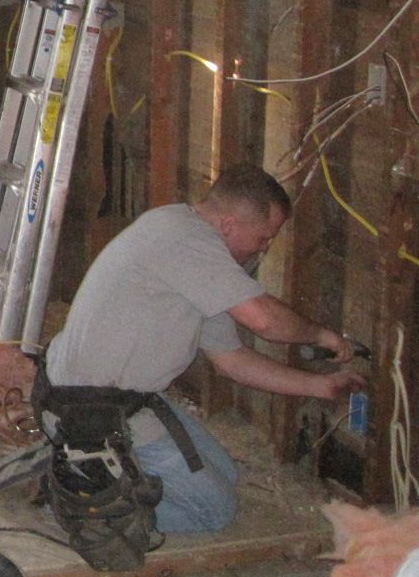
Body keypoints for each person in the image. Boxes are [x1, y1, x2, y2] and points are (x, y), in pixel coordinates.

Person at [40, 165, 365, 542]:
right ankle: (75, 503)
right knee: (213, 510)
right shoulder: (182, 239)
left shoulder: (194, 254)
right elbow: (263, 320)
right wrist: (322, 335)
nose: (265, 249)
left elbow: (233, 361)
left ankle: (88, 470)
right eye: (264, 238)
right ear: (229, 225)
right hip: (90, 408)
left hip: (127, 399)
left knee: (225, 473)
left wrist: (319, 387)